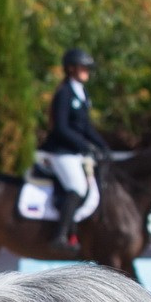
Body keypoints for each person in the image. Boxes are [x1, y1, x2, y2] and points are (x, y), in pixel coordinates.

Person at [38, 47, 111, 247]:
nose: (87, 70)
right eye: (83, 67)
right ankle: (60, 235)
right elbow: (61, 127)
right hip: (60, 151)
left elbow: (86, 126)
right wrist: (85, 146)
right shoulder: (64, 93)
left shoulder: (82, 93)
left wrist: (103, 147)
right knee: (77, 187)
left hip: (75, 152)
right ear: (71, 69)